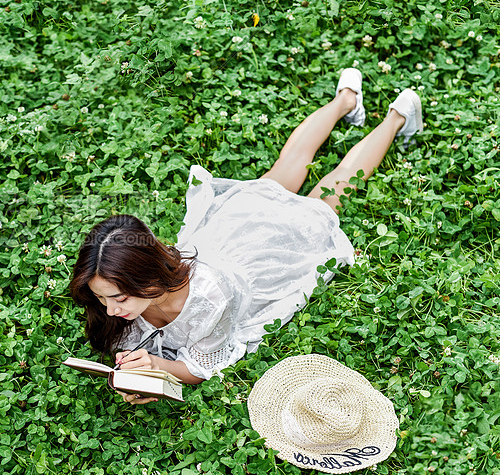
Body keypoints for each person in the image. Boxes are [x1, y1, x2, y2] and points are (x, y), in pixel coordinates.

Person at [69, 69, 423, 403]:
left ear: (146, 277)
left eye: (117, 298)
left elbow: (199, 369)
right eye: (102, 299)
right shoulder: (129, 294)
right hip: (232, 232)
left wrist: (158, 367)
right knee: (285, 167)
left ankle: (396, 116)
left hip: (267, 255)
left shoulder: (209, 300)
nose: (110, 310)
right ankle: (346, 100)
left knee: (329, 192)